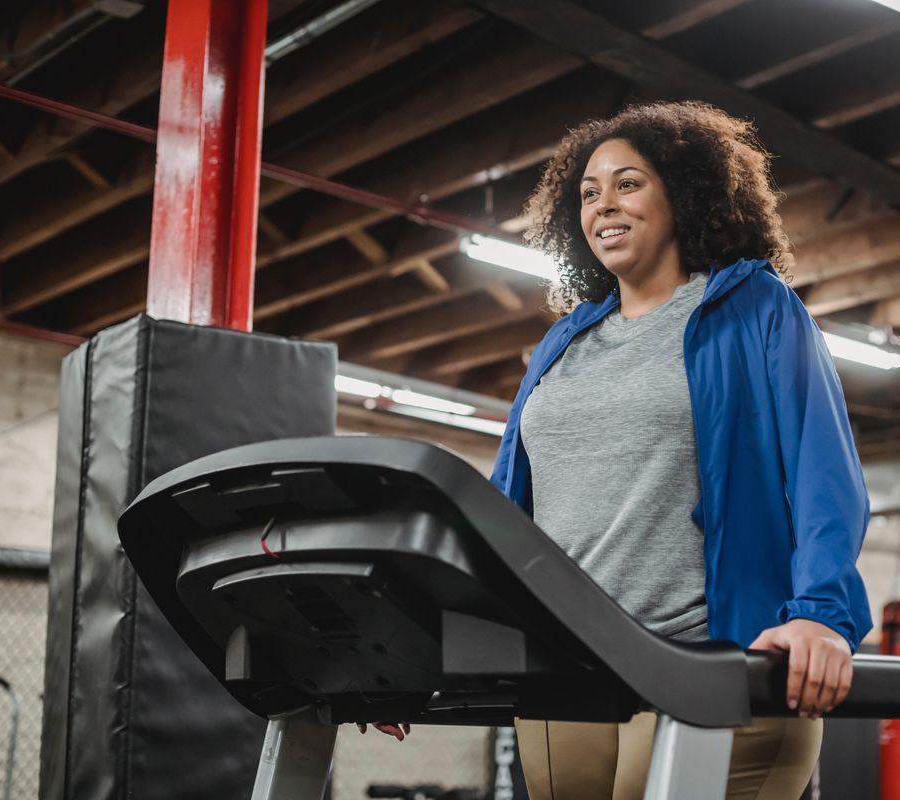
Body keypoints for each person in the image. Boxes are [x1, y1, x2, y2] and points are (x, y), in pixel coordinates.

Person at [362, 101, 873, 800]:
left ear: (685, 195)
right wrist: (411, 653)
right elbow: (503, 518)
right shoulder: (563, 343)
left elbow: (822, 471)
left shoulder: (755, 308)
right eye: (589, 192)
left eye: (628, 183)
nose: (604, 204)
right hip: (565, 669)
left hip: (709, 657)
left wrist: (821, 612)